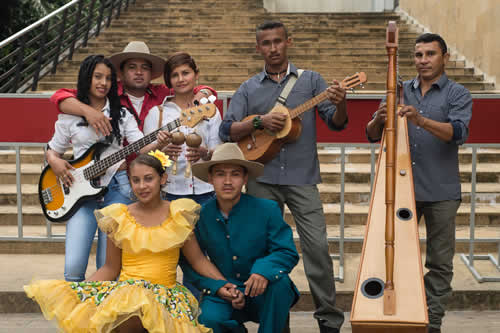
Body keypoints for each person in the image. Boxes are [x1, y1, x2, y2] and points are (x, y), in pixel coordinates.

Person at [218, 21, 347, 333]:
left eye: (278, 41)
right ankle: (276, 320)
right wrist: (259, 122)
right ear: (258, 47)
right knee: (264, 251)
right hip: (262, 177)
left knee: (317, 247)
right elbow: (227, 129)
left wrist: (341, 103)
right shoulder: (249, 88)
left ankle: (329, 321)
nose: (273, 48)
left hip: (303, 178)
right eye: (266, 43)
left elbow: (337, 123)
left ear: (288, 42)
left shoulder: (312, 81)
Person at [25, 151, 238, 332]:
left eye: (149, 178)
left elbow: (199, 260)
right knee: (130, 313)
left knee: (146, 313)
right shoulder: (119, 217)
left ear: (162, 179)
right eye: (136, 180)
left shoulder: (178, 214)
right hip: (128, 293)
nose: (142, 186)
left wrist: (223, 282)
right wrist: (78, 293)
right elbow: (110, 268)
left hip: (167, 295)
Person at [365, 33, 472, 333]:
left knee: (439, 263)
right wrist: (378, 117)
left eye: (430, 54)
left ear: (445, 57)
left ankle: (431, 323)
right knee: (393, 258)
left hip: (441, 191)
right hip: (398, 192)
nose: (423, 60)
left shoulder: (458, 94)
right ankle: (398, 315)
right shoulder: (397, 90)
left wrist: (420, 120)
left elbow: (459, 133)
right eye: (418, 55)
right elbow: (373, 134)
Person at [45, 54, 170, 282]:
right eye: (98, 77)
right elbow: (53, 149)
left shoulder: (121, 115)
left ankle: (104, 316)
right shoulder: (69, 117)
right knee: (73, 268)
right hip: (81, 194)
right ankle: (78, 316)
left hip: (117, 190)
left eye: (109, 79)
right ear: (87, 78)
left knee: (108, 266)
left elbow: (140, 145)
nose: (103, 83)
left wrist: (159, 141)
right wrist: (54, 160)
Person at [180, 143, 300, 333]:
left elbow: (286, 251)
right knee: (207, 320)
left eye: (235, 174)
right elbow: (190, 262)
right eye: (220, 174)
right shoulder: (200, 216)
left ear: (245, 178)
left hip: (262, 290)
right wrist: (218, 287)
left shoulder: (267, 209)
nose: (228, 181)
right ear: (210, 178)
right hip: (223, 290)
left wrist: (263, 271)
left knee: (281, 284)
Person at [50, 41, 216, 136]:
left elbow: (196, 88)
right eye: (132, 67)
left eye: (144, 67)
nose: (138, 72)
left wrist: (203, 92)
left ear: (151, 73)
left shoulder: (163, 93)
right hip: (116, 171)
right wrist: (88, 111)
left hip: (153, 174)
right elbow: (60, 96)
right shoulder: (107, 91)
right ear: (120, 73)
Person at [143, 52, 222, 204]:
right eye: (174, 75)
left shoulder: (210, 110)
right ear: (169, 81)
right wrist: (162, 154)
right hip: (170, 191)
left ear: (196, 74)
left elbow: (218, 151)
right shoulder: (157, 113)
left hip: (207, 189)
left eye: (185, 73)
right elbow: (145, 159)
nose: (181, 79)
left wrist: (205, 153)